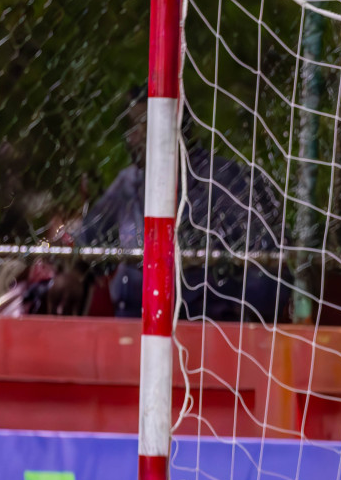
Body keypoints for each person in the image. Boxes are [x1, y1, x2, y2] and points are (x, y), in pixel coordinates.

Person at [68, 95, 288, 323]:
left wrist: (253, 317)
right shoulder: (129, 184)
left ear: (178, 127)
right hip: (134, 320)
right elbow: (88, 241)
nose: (135, 136)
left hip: (207, 325)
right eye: (131, 127)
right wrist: (73, 274)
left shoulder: (224, 179)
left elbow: (268, 256)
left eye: (145, 125)